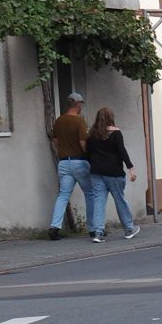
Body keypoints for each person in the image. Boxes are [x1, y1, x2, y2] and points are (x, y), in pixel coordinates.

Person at [84, 106, 140, 243]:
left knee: (98, 201)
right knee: (120, 200)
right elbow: (122, 151)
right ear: (111, 118)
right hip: (114, 173)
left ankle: (98, 233)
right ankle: (128, 229)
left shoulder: (92, 134)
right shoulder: (115, 133)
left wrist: (95, 163)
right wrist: (131, 168)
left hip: (96, 172)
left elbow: (88, 153)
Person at [48, 92, 91, 239]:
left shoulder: (59, 120)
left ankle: (54, 227)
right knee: (90, 194)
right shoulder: (80, 121)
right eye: (81, 104)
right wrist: (90, 157)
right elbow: (83, 143)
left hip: (64, 162)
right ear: (78, 104)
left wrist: (62, 151)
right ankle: (94, 228)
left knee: (63, 195)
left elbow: (55, 140)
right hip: (79, 162)